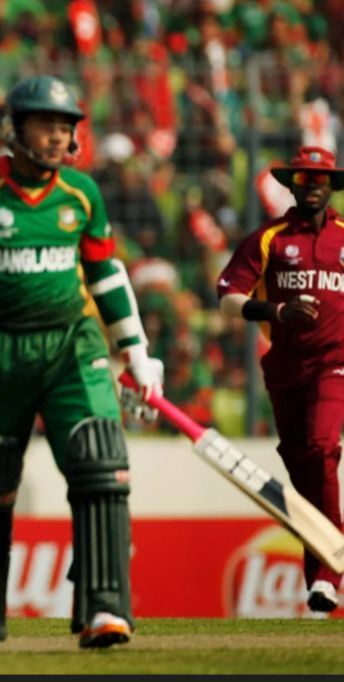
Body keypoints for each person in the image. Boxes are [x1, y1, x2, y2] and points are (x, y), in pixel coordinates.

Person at [0, 75, 163, 652]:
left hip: (74, 345)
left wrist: (137, 351)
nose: (57, 137)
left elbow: (105, 273)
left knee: (101, 465)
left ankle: (104, 608)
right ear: (14, 129)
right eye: (45, 125)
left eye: (65, 127)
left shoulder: (81, 195)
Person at [216, 146, 344, 615]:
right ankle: (324, 581)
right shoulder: (268, 238)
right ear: (292, 183)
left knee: (321, 446)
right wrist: (275, 311)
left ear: (331, 186)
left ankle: (331, 572)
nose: (312, 185)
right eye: (305, 177)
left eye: (321, 178)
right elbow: (228, 296)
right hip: (286, 370)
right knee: (305, 470)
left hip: (336, 364)